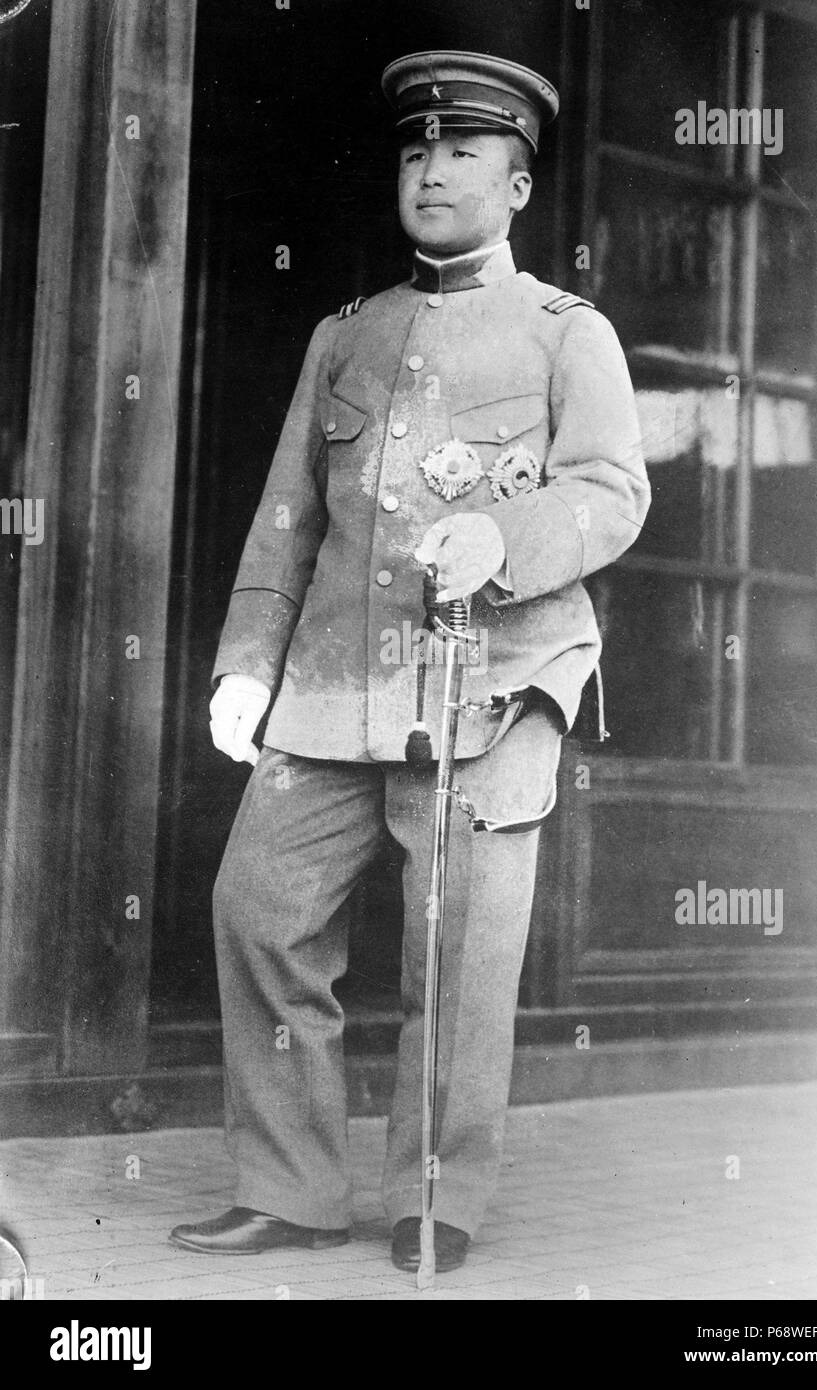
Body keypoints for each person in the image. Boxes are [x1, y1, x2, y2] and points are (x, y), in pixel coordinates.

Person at [170, 50, 649, 1274]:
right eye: (414, 151)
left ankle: (433, 1196)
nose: (430, 171)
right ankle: (290, 1185)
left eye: (461, 153)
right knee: (258, 908)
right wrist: (246, 662)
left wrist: (504, 533)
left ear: (518, 184)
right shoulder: (350, 333)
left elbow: (610, 492)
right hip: (333, 688)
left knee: (455, 952)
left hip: (490, 682)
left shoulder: (563, 333)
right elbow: (289, 514)